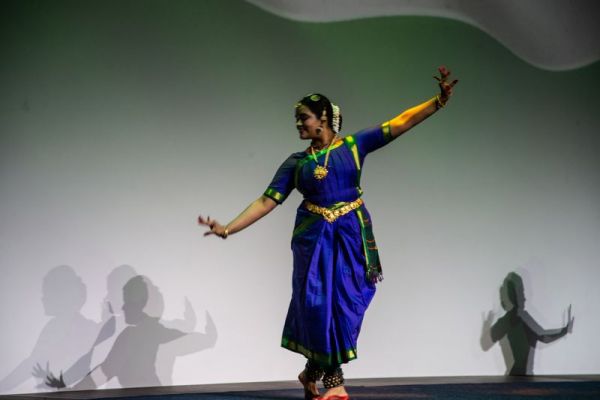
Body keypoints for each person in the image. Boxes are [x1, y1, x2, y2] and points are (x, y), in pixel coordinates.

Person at [199, 66, 458, 400]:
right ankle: (334, 383)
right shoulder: (296, 163)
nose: (298, 124)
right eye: (297, 119)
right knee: (320, 305)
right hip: (314, 240)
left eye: (303, 118)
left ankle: (311, 372)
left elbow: (400, 123)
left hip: (351, 235)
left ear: (323, 117)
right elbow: (266, 201)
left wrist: (438, 101)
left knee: (348, 303)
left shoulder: (353, 146)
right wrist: (227, 228)